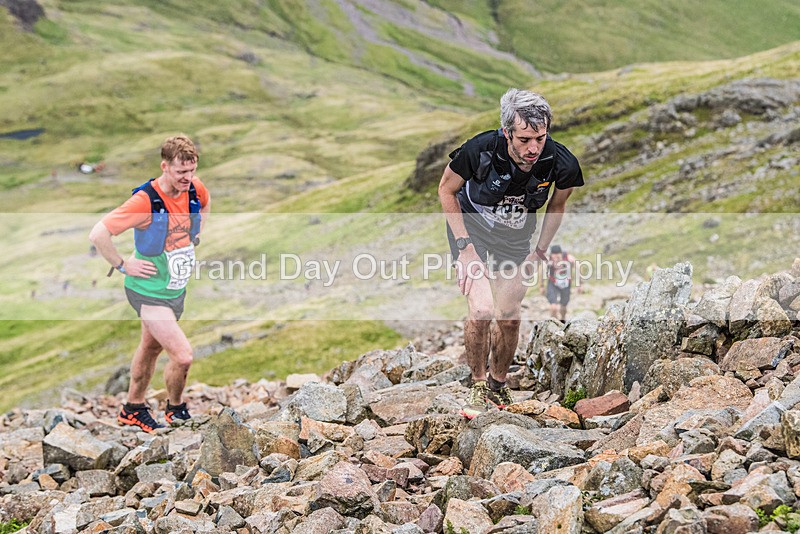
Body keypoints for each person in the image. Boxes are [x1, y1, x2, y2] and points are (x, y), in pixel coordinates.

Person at [438, 88, 584, 418]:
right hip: (471, 230)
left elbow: (557, 206)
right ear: (507, 133)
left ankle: (497, 383)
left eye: (540, 138)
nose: (533, 148)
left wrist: (540, 253)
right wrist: (465, 250)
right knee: (483, 309)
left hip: (515, 240)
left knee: (509, 314)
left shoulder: (561, 163)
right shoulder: (479, 150)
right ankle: (476, 385)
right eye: (524, 139)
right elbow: (446, 189)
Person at [89, 135, 210, 432]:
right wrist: (122, 265)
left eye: (191, 170)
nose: (187, 178)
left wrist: (195, 234)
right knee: (182, 356)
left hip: (174, 289)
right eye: (181, 172)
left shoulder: (195, 189)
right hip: (146, 291)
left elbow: (205, 205)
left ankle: (132, 408)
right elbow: (98, 234)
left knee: (150, 348)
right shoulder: (145, 201)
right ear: (165, 166)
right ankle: (176, 410)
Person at [542, 244, 578, 322]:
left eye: (558, 257)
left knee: (563, 306)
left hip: (566, 283)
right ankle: (553, 323)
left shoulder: (568, 258)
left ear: (561, 254)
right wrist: (541, 286)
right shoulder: (548, 260)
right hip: (553, 283)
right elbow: (542, 272)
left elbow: (578, 267)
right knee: (553, 307)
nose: (556, 259)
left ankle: (562, 319)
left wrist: (580, 284)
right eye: (554, 257)